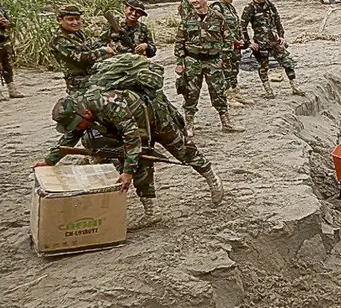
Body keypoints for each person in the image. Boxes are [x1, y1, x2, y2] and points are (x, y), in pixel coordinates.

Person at [36, 90, 225, 230]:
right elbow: (71, 136)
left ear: (85, 114)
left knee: (184, 152)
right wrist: (50, 160)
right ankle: (152, 212)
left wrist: (127, 172)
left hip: (157, 120)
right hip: (133, 126)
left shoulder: (112, 106)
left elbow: (132, 139)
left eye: (76, 124)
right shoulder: (81, 111)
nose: (76, 128)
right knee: (141, 162)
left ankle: (212, 178)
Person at [175, 0, 244, 136]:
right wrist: (180, 63)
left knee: (219, 92)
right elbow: (179, 42)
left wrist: (222, 58)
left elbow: (228, 39)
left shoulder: (218, 17)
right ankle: (189, 125)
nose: (194, 0)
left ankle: (226, 122)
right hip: (192, 61)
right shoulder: (187, 19)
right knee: (190, 94)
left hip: (213, 61)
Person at [241, 0, 305, 99]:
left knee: (287, 62)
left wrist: (281, 36)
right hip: (260, 43)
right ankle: (268, 91)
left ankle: (295, 87)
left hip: (274, 41)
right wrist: (249, 43)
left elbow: (278, 22)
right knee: (264, 66)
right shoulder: (249, 8)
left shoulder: (270, 6)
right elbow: (242, 27)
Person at [50, 5, 115, 93]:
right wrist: (103, 51)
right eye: (70, 19)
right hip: (79, 82)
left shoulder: (78, 33)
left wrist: (109, 46)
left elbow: (93, 45)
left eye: (77, 19)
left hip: (92, 73)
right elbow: (79, 57)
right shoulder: (60, 39)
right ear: (60, 20)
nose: (75, 22)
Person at [210, 0, 253, 107]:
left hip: (235, 46)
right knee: (226, 71)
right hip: (225, 47)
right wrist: (233, 41)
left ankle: (235, 92)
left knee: (234, 69)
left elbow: (237, 25)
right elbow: (220, 28)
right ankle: (228, 96)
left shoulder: (230, 8)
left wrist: (242, 40)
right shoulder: (217, 8)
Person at [0, 1, 25, 100]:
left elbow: (11, 24)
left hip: (3, 41)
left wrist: (7, 23)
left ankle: (12, 89)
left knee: (7, 66)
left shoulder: (1, 8)